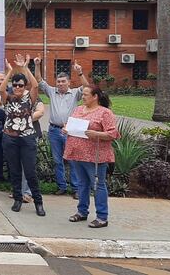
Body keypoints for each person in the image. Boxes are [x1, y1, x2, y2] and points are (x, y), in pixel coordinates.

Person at [64, 85, 120, 228]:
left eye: (86, 95)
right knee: (82, 184)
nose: (83, 97)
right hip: (77, 153)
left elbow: (113, 134)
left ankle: (102, 217)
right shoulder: (78, 109)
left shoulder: (104, 113)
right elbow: (73, 126)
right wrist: (66, 129)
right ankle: (82, 211)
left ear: (95, 97)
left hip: (95, 156)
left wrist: (97, 134)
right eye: (82, 94)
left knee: (98, 185)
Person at [34, 56, 89, 197]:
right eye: (58, 81)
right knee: (58, 161)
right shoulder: (52, 92)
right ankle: (62, 187)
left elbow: (87, 87)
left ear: (69, 82)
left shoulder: (75, 93)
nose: (60, 84)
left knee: (72, 161)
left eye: (63, 81)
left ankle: (76, 189)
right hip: (54, 130)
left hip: (70, 131)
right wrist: (37, 65)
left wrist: (80, 72)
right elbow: (39, 81)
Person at [0, 54, 45, 216]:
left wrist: (25, 67)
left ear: (24, 86)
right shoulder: (8, 99)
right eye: (15, 85)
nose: (17, 87)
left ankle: (38, 202)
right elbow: (1, 89)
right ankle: (17, 199)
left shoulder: (30, 98)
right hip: (10, 138)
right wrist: (10, 72)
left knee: (30, 171)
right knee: (15, 170)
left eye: (20, 85)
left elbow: (35, 85)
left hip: (27, 138)